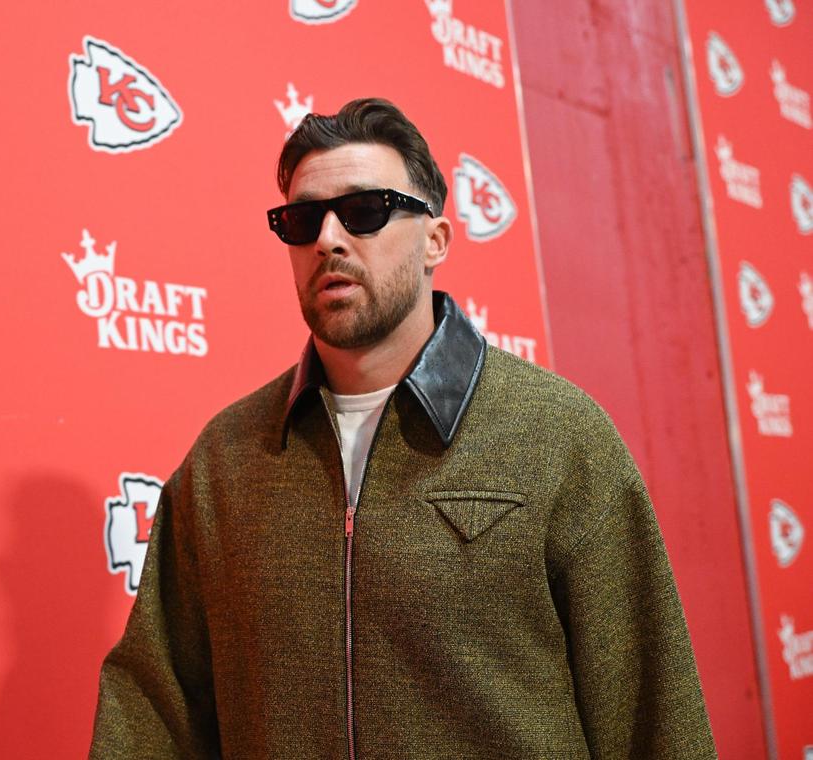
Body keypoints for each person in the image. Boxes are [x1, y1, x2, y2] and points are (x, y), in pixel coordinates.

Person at [89, 98, 716, 759]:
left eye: (365, 211)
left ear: (435, 241)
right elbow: (154, 710)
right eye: (303, 221)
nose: (329, 238)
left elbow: (653, 714)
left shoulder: (558, 436)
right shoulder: (225, 462)